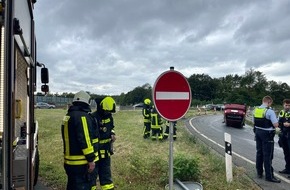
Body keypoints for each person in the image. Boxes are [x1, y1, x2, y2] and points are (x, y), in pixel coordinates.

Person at [61, 90, 99, 190]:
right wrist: (91, 159)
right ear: (87, 102)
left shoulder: (67, 116)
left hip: (69, 162)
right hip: (80, 164)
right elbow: (85, 139)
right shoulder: (82, 117)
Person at [253, 95, 280, 183]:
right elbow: (276, 124)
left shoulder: (256, 110)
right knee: (267, 155)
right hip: (267, 134)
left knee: (259, 153)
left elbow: (254, 121)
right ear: (268, 102)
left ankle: (259, 172)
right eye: (270, 103)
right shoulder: (270, 111)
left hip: (258, 132)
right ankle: (269, 176)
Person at [92, 96, 116, 190]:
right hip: (95, 152)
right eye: (107, 111)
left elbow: (112, 127)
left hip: (106, 152)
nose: (108, 113)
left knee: (106, 176)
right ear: (101, 108)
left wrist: (112, 133)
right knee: (92, 176)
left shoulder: (110, 117)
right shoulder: (93, 117)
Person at [277, 99, 290, 176]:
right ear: (283, 105)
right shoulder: (281, 112)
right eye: (286, 105)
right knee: (286, 153)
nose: (287, 107)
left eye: (289, 105)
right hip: (283, 135)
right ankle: (288, 169)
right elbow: (279, 122)